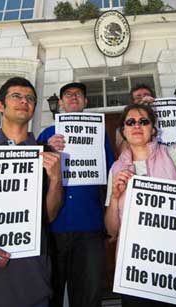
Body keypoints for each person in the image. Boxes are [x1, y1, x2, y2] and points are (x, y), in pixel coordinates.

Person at [105, 104, 176, 307]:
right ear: (123, 131)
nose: (137, 125)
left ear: (153, 128)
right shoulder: (116, 168)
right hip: (134, 277)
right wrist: (114, 198)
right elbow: (112, 231)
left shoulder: (174, 154)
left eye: (144, 121)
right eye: (130, 122)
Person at [0, 77, 62, 307]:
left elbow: (49, 215)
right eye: (16, 96)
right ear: (0, 105)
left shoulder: (47, 155)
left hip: (28, 280)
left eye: (30, 98)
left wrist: (56, 179)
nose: (24, 101)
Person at [38, 82, 114, 307]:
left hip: (90, 226)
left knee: (88, 296)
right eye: (68, 95)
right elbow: (31, 178)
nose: (73, 97)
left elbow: (110, 175)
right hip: (53, 228)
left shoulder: (100, 135)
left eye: (79, 94)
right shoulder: (46, 134)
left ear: (85, 102)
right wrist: (45, 148)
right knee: (49, 293)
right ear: (60, 103)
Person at [116, 84, 155, 154]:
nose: (144, 99)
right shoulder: (123, 127)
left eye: (147, 95)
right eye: (138, 97)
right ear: (132, 102)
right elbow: (123, 152)